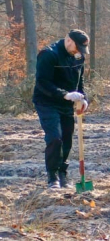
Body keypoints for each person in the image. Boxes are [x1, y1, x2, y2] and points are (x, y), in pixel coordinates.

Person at [32, 29, 90, 188]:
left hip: (66, 104)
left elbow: (80, 81)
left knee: (67, 139)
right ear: (68, 40)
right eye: (77, 47)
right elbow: (42, 83)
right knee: (55, 138)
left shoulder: (78, 56)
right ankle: (53, 177)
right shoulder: (49, 54)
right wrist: (65, 95)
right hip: (46, 102)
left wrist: (83, 98)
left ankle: (63, 174)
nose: (79, 51)